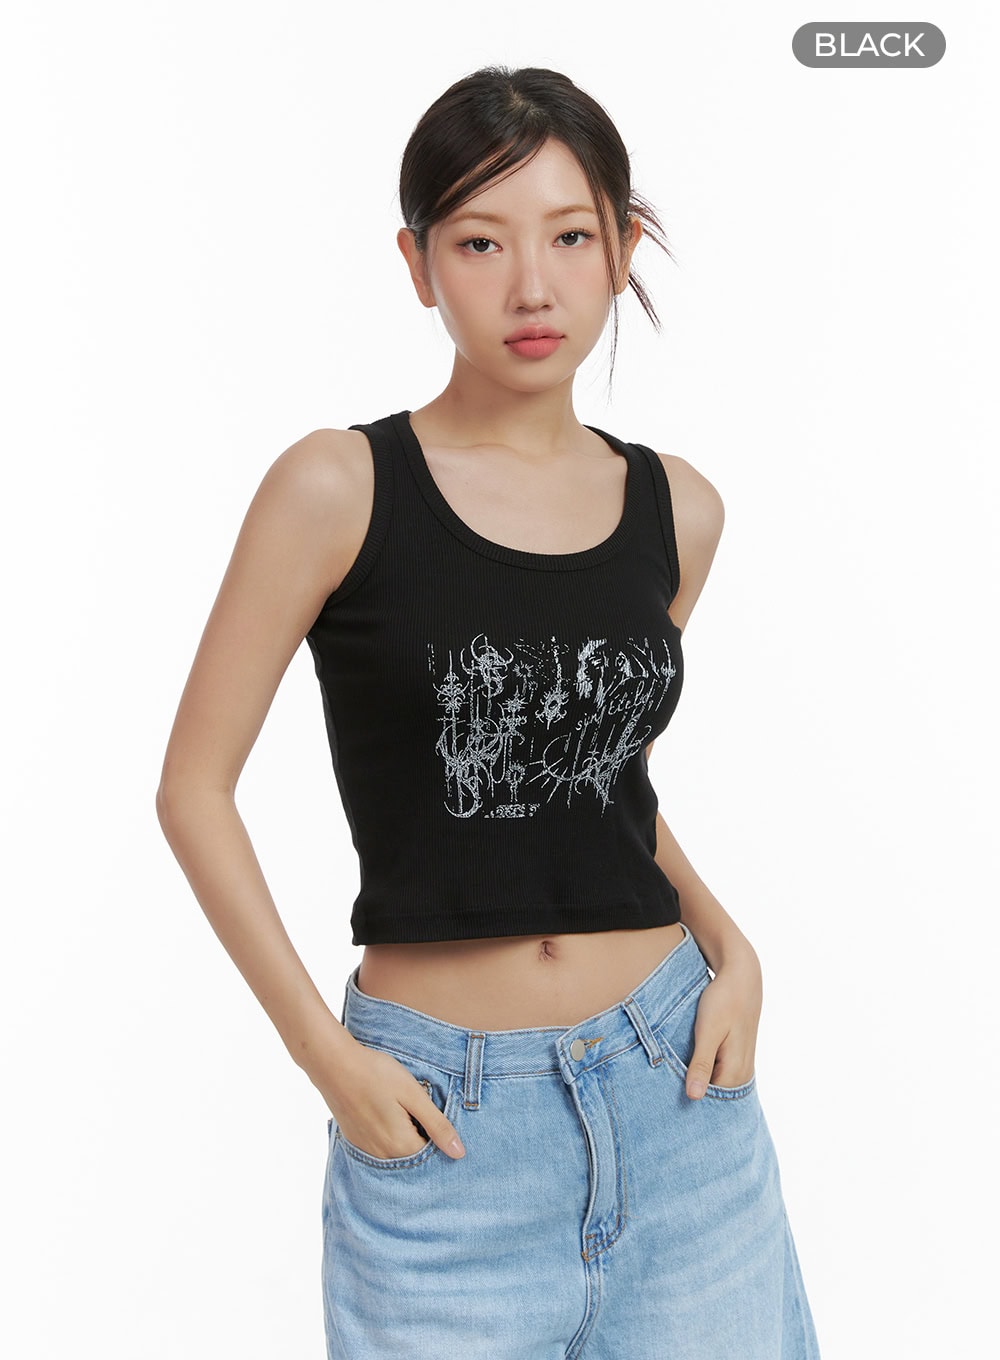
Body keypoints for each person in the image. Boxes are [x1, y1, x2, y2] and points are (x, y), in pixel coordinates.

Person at [156, 65, 821, 1360]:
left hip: (681, 1099)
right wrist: (327, 1058)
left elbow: (595, 780)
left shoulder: (678, 509)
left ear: (623, 248)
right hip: (443, 1128)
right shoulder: (337, 488)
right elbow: (193, 789)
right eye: (479, 242)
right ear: (417, 264)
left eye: (571, 237)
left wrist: (732, 949)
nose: (532, 287)